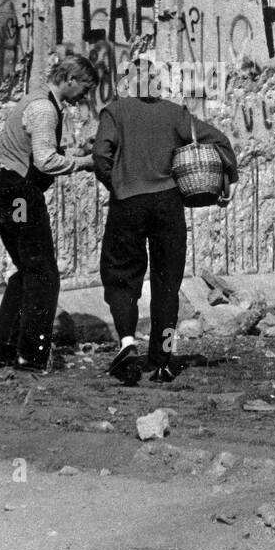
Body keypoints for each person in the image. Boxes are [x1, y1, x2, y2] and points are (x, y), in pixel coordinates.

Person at [92, 57, 238, 383]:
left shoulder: (115, 112)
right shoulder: (175, 114)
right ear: (156, 82)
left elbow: (101, 155)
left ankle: (127, 341)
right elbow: (219, 141)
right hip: (168, 204)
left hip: (127, 203)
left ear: (129, 82)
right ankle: (163, 361)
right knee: (168, 285)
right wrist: (225, 181)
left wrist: (116, 183)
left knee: (120, 276)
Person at [0, 54, 98, 372]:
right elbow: (45, 161)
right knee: (43, 274)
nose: (84, 97)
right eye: (84, 88)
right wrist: (85, 163)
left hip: (3, 192)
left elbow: (43, 149)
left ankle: (3, 346)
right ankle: (32, 354)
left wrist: (75, 152)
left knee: (26, 270)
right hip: (19, 196)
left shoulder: (35, 102)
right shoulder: (45, 109)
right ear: (70, 80)